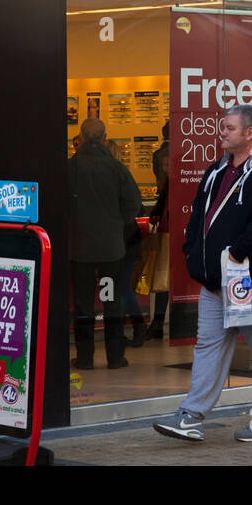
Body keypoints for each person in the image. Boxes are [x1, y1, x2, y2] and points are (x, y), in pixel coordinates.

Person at [154, 105, 252, 443]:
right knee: (208, 346)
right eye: (222, 127)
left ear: (250, 133)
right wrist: (192, 252)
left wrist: (236, 252)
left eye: (229, 128)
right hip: (217, 281)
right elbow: (199, 214)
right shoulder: (217, 169)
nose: (222, 132)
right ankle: (191, 415)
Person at [68, 118, 142, 370]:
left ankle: (85, 357)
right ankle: (114, 356)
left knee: (84, 305)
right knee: (112, 302)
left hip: (80, 251)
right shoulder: (116, 168)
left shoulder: (71, 167)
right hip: (111, 251)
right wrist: (116, 223)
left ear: (80, 137)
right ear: (104, 138)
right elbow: (134, 203)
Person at [108, 141, 148, 347]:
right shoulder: (125, 177)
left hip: (118, 241)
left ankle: (132, 326)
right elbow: (137, 208)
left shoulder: (111, 179)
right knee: (121, 286)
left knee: (120, 286)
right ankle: (132, 327)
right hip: (129, 239)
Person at [147, 121, 171, 340]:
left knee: (165, 276)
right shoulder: (172, 155)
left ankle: (158, 322)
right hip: (169, 226)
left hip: (169, 227)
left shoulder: (159, 154)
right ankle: (159, 322)